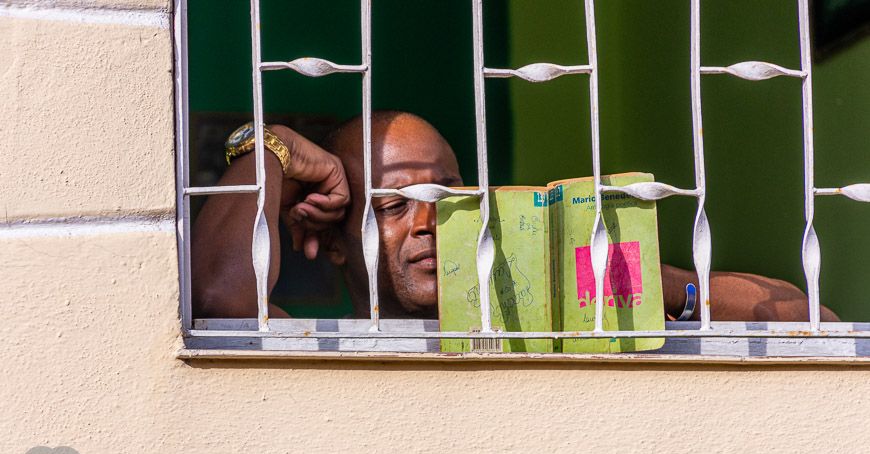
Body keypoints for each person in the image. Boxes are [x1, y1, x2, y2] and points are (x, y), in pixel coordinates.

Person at [192, 110, 839, 322]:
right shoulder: (310, 353)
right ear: (334, 245)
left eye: (446, 197)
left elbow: (813, 320)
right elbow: (223, 294)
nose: (426, 224)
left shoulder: (546, 315)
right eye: (391, 207)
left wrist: (640, 279)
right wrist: (268, 145)